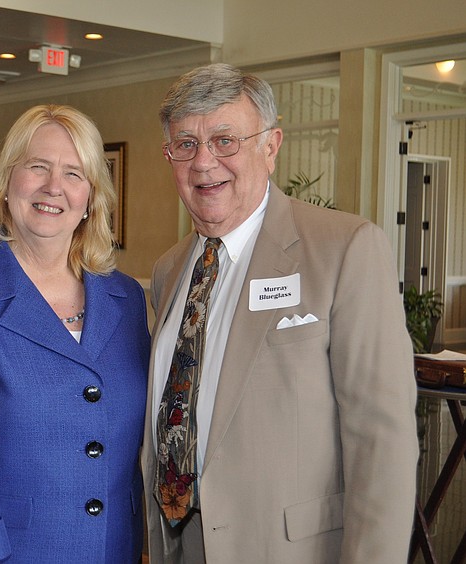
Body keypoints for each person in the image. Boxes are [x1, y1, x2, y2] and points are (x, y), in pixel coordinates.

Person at [141, 63, 419, 564]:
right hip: (181, 546)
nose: (203, 163)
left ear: (270, 147)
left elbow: (383, 444)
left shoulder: (344, 249)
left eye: (225, 140)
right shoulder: (169, 270)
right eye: (185, 144)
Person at [0, 104, 150, 563]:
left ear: (91, 196)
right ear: (6, 180)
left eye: (74, 173)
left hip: (113, 550)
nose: (54, 187)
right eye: (38, 167)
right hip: (7, 553)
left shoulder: (127, 299)